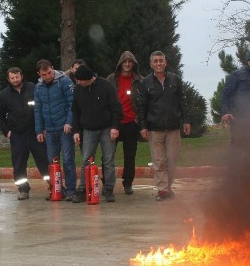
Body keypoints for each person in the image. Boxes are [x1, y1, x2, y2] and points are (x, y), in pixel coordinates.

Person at [136, 51, 191, 201]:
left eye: (161, 61)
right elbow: (141, 106)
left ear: (165, 63)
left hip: (173, 127)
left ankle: (168, 187)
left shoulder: (175, 79)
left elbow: (183, 101)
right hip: (154, 128)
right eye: (156, 61)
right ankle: (163, 190)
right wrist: (143, 126)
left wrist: (186, 120)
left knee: (171, 161)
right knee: (159, 161)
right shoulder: (146, 82)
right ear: (151, 64)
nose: (159, 63)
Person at [70, 65, 122, 203]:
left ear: (89, 78)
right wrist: (76, 130)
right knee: (86, 160)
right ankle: (83, 189)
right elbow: (75, 111)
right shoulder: (78, 89)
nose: (79, 83)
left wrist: (115, 127)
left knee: (108, 160)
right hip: (88, 130)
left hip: (107, 128)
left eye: (81, 80)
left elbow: (116, 108)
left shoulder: (106, 86)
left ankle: (109, 188)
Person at [0, 67, 49, 200]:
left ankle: (53, 185)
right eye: (12, 78)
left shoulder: (33, 88)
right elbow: (0, 115)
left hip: (36, 133)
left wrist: (43, 127)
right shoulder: (4, 94)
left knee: (43, 160)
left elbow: (43, 107)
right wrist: (7, 131)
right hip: (17, 135)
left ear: (21, 76)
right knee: (19, 163)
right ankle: (23, 189)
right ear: (8, 79)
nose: (15, 80)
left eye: (17, 77)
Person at [34, 59, 77, 200]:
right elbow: (38, 110)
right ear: (39, 74)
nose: (48, 76)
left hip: (64, 128)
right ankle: (57, 189)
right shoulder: (38, 87)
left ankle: (71, 190)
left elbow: (72, 104)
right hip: (49, 130)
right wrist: (39, 130)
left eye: (49, 72)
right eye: (44, 74)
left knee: (68, 159)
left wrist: (69, 122)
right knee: (52, 161)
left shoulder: (64, 81)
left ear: (53, 69)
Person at [106, 51, 143, 195]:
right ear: (120, 63)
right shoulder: (111, 79)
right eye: (125, 61)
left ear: (133, 64)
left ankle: (128, 183)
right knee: (108, 155)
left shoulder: (140, 80)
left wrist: (139, 118)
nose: (127, 64)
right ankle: (107, 184)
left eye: (130, 61)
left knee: (130, 155)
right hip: (114, 123)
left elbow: (143, 101)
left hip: (131, 123)